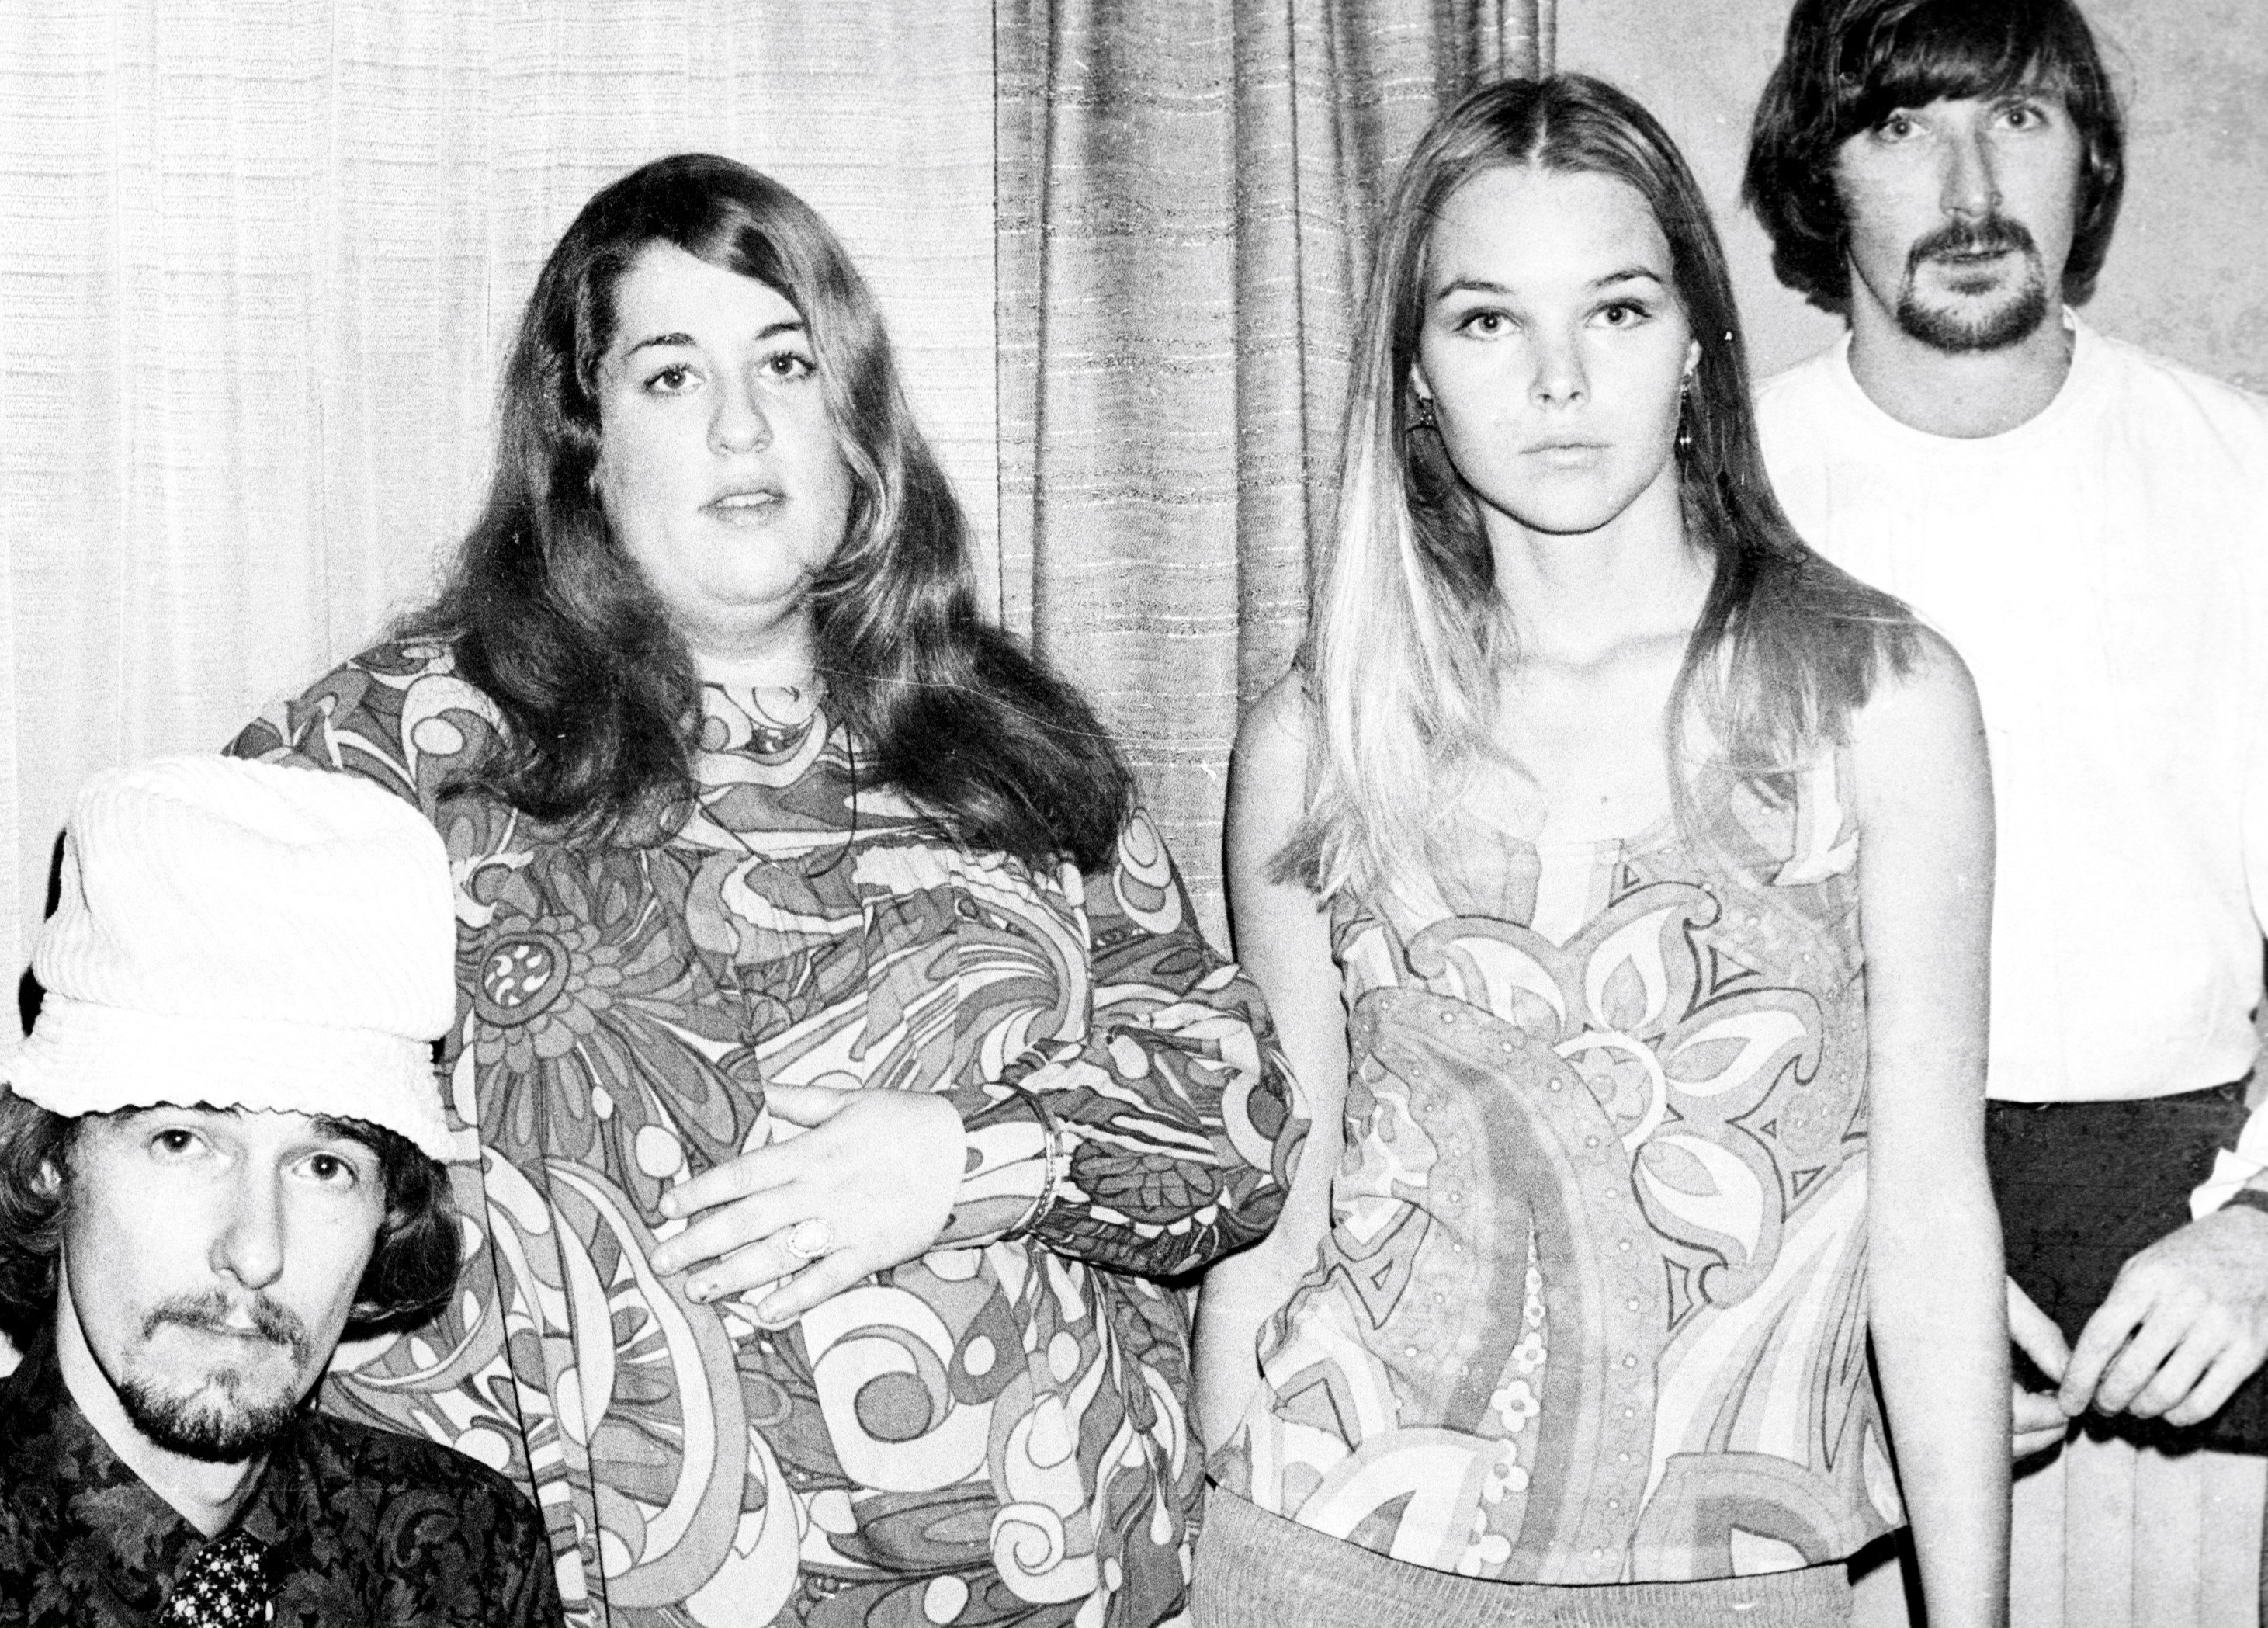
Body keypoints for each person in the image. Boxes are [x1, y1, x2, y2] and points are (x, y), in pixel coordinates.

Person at [227, 151, 1303, 1626]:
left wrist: (970, 1158)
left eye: (786, 363)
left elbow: (1239, 1108)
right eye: (671, 375)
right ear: (584, 445)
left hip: (1065, 1584)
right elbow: (173, 1095)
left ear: (853, 419)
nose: (741, 424)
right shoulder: (402, 748)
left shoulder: (1000, 736)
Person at [1191, 72, 2008, 1626]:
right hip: (1324, 1545)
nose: (1558, 379)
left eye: (1616, 310)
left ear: (1696, 341)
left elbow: (1930, 1220)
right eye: (1487, 320)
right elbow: (1278, 1211)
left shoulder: (1875, 704)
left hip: (1729, 1572)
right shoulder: (1323, 731)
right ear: (1415, 370)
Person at [1744, 0, 2268, 1616]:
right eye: (1903, 126)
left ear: (2088, 163)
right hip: (1809, 1279)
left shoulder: (2241, 476)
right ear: (1821, 173)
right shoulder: (1719, 499)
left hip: (2197, 1272)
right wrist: (1838, 1285)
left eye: (2018, 120)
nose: (1969, 189)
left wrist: (2265, 1231)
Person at [0, 754, 561, 1626]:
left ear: (387, 1213)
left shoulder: (467, 1555)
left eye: (324, 1167)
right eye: (183, 1142)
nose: (257, 1251)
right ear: (50, 1161)